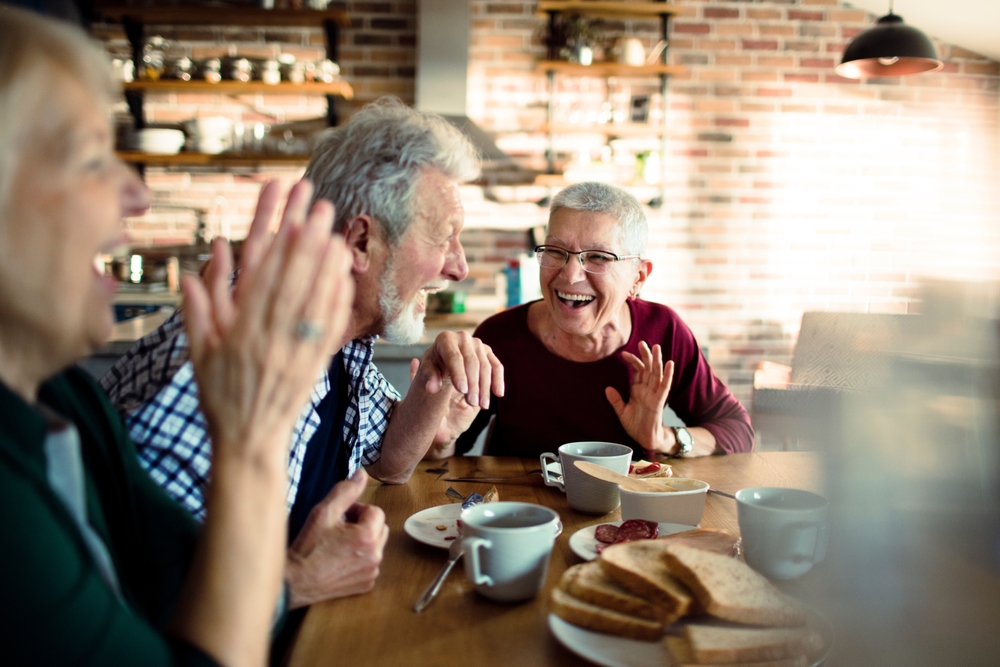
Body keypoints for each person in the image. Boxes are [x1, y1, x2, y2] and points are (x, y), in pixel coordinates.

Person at [0, 7, 357, 664]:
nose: (135, 194)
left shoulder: (68, 398)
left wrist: (293, 571)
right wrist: (252, 439)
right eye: (89, 159)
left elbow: (184, 575)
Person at [100, 97, 503, 607]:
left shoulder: (338, 334)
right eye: (445, 238)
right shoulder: (229, 357)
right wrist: (300, 582)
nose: (459, 267)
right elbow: (136, 597)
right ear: (361, 241)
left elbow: (390, 462)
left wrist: (436, 385)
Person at [448, 182, 753, 460]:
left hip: (627, 514)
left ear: (638, 277)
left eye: (598, 257)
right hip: (522, 514)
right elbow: (450, 445)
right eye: (556, 251)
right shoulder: (499, 337)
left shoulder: (663, 332)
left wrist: (662, 438)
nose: (570, 275)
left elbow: (737, 430)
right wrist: (438, 436)